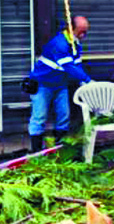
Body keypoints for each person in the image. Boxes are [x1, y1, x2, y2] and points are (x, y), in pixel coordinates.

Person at [27, 16, 92, 152]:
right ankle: (36, 151)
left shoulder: (75, 43)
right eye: (81, 31)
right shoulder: (59, 44)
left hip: (61, 85)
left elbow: (77, 64)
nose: (83, 35)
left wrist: (82, 80)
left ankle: (60, 148)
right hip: (42, 84)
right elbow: (68, 66)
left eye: (85, 32)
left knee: (64, 115)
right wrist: (87, 80)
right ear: (71, 28)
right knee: (39, 117)